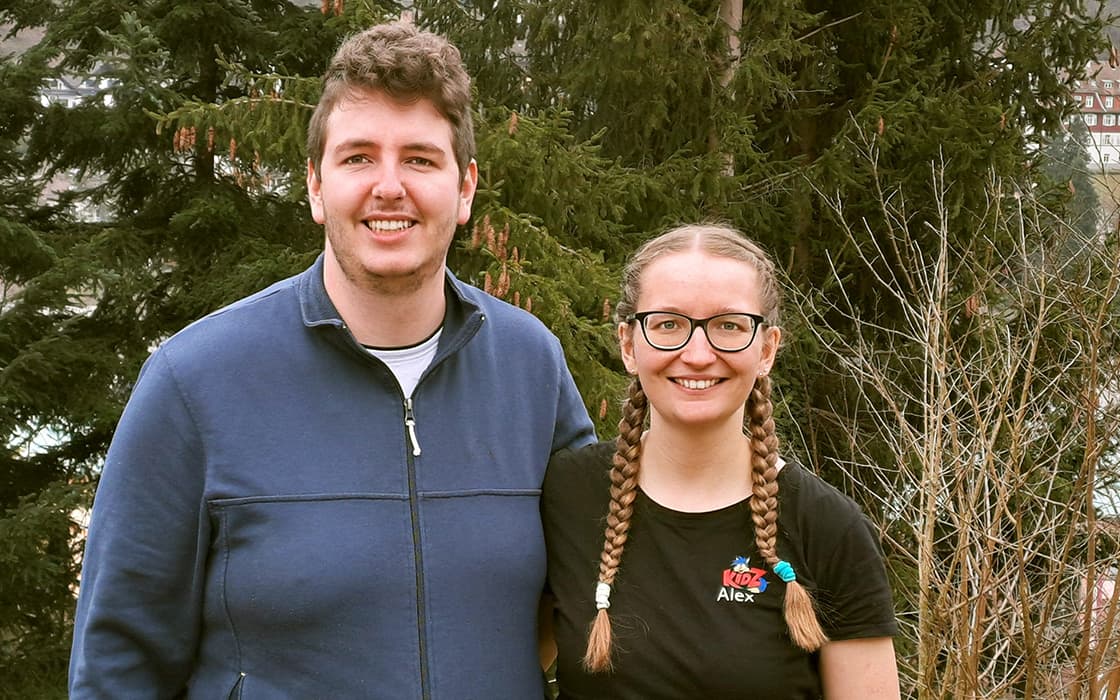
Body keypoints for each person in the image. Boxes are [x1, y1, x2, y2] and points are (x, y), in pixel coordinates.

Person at [69, 20, 595, 698]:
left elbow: (596, 591)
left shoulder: (532, 367)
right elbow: (118, 665)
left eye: (419, 159)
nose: (389, 186)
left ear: (465, 189)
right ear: (316, 187)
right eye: (358, 158)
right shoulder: (194, 380)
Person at [541, 223, 899, 699]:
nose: (697, 354)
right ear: (628, 345)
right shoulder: (564, 497)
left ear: (767, 349)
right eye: (668, 324)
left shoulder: (826, 526)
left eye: (728, 326)